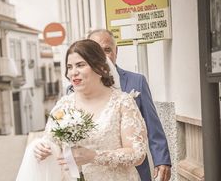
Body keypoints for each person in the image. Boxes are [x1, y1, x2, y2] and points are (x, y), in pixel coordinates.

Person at [16, 39, 147, 181]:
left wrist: (93, 156)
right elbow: (50, 141)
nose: (73, 72)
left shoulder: (123, 103)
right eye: (69, 67)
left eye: (80, 65)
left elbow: (137, 154)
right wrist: (42, 149)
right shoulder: (63, 105)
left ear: (100, 68)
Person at [87, 29, 172, 181]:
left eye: (107, 50)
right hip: (95, 170)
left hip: (135, 169)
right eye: (96, 51)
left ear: (116, 52)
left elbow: (152, 124)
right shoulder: (75, 90)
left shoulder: (136, 81)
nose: (102, 56)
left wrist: (162, 159)